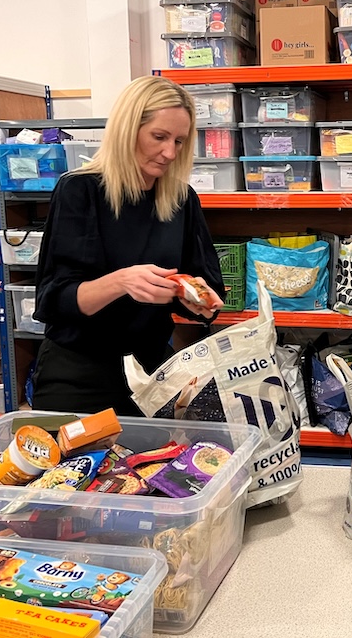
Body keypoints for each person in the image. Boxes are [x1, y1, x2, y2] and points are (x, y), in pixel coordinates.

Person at [32, 75, 224, 415]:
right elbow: (53, 300)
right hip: (78, 373)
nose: (169, 153)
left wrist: (195, 297)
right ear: (127, 130)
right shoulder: (80, 191)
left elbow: (204, 283)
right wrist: (121, 282)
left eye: (179, 141)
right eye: (159, 137)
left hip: (150, 371)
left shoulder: (181, 200)